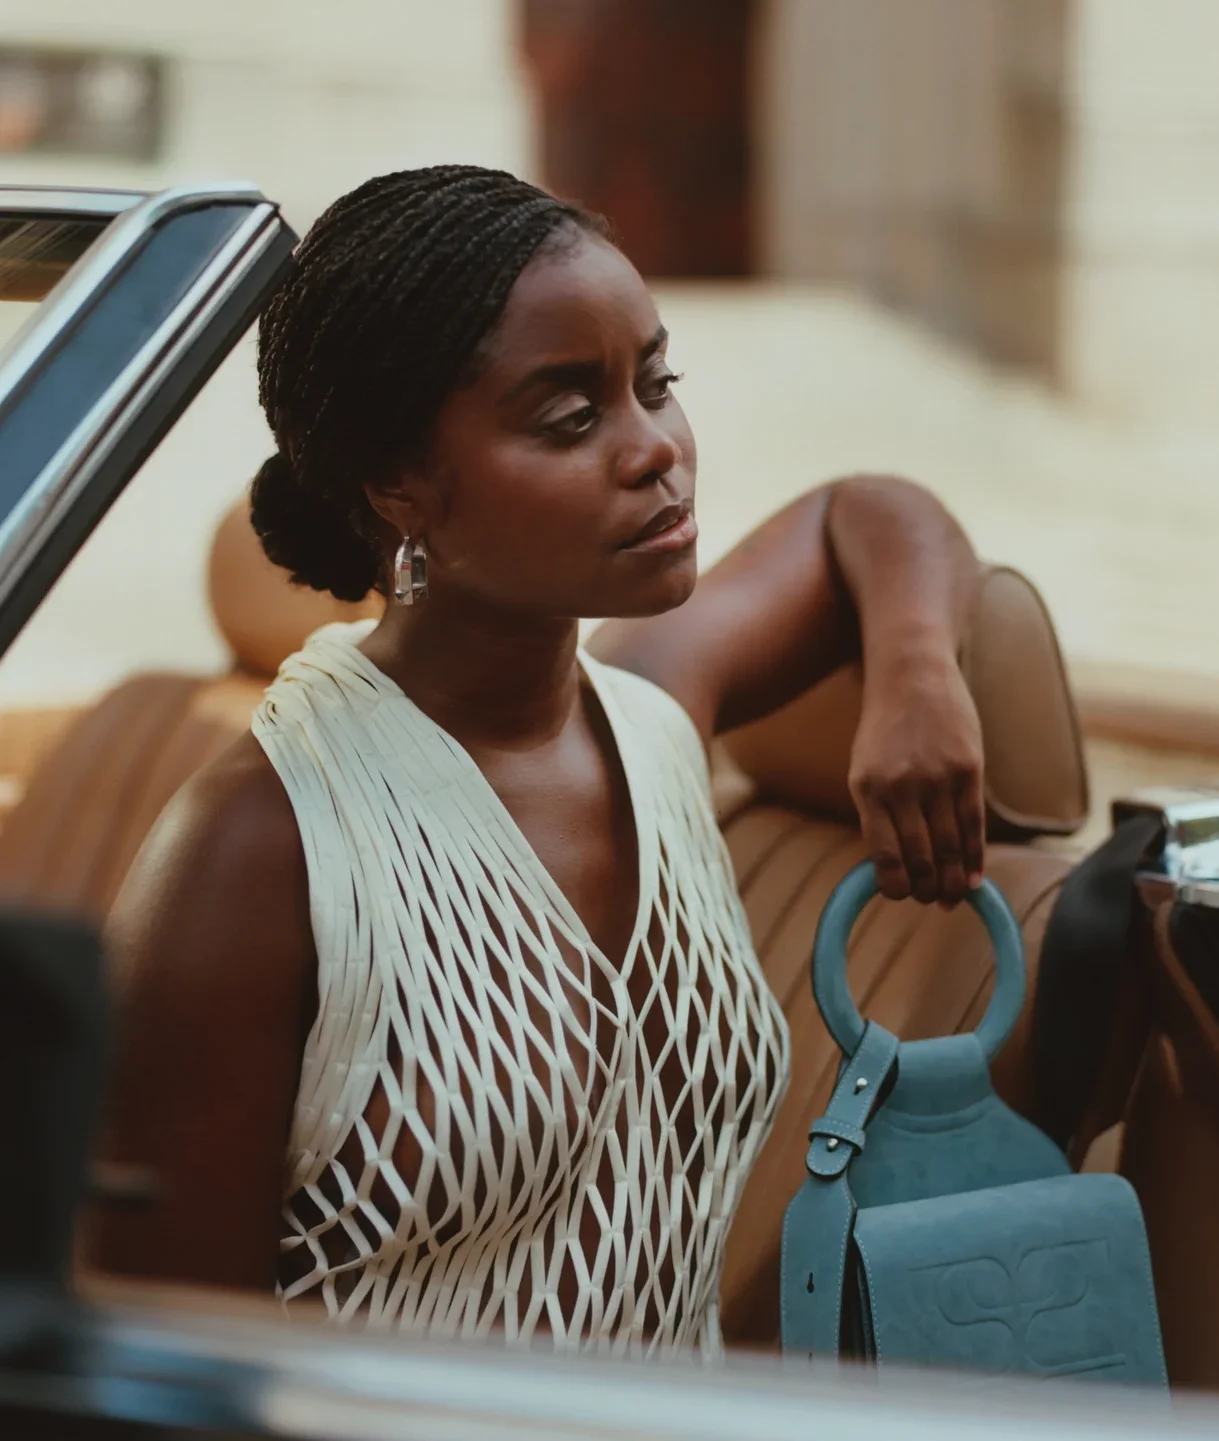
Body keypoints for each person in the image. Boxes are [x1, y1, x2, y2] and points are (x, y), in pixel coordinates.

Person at [90, 165, 985, 1352]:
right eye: (572, 417)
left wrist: (918, 673)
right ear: (398, 483)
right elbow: (153, 1367)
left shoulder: (654, 714)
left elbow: (866, 515)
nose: (654, 449)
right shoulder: (260, 846)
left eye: (655, 382)